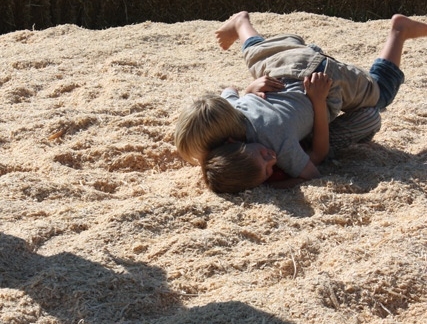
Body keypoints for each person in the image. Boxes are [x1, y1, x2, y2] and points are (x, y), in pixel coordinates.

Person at [175, 11, 427, 193]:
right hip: (285, 61)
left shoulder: (276, 141)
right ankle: (241, 23)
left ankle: (399, 31)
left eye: (210, 149)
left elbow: (314, 166)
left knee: (380, 94)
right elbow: (229, 90)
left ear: (229, 140)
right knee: (256, 56)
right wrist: (250, 90)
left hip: (322, 81)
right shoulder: (230, 110)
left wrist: (276, 185)